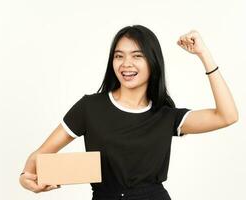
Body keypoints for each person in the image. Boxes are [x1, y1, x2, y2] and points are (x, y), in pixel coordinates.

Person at [19, 25, 239, 199]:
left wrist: (204, 54)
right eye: (119, 56)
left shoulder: (166, 116)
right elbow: (37, 158)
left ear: (152, 62)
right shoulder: (90, 108)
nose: (126, 64)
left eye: (137, 55)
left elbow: (227, 116)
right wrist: (25, 179)